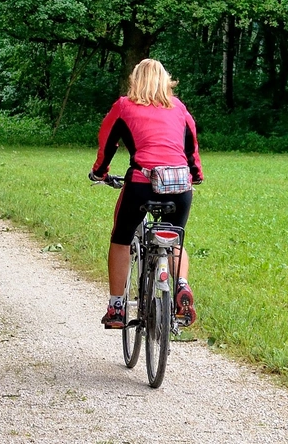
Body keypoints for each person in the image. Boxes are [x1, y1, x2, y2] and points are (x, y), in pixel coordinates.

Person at [89, 58, 203, 329]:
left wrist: (100, 172)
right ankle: (181, 285)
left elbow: (108, 143)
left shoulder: (124, 106)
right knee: (175, 238)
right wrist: (195, 174)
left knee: (121, 238)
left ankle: (117, 307)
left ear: (135, 80)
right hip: (180, 186)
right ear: (166, 81)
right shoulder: (179, 108)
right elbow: (191, 147)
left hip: (142, 183)